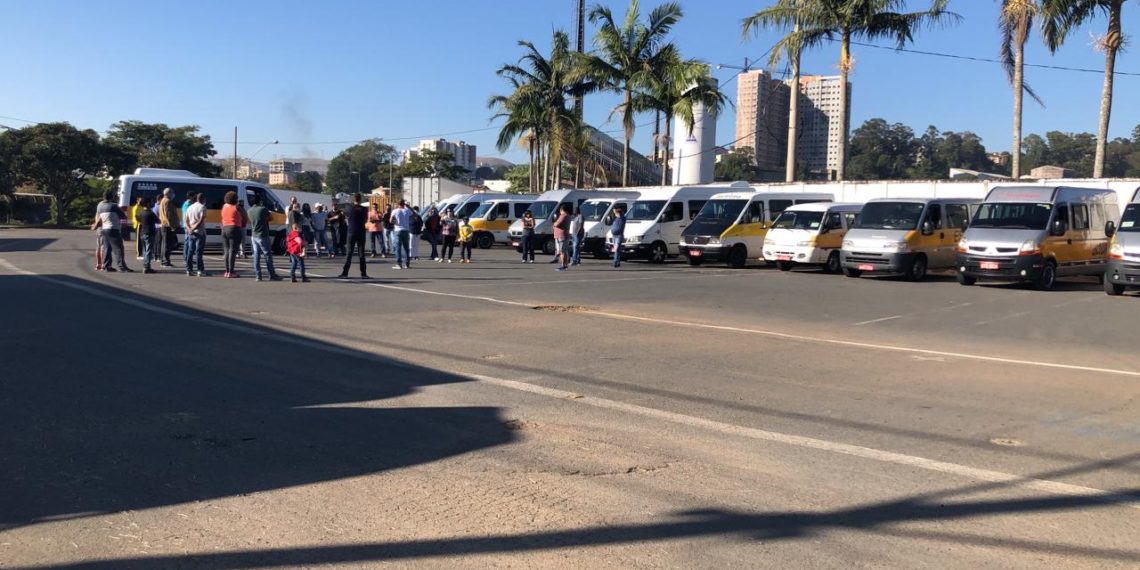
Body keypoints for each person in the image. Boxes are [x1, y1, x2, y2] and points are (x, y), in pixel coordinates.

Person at [94, 191, 132, 273]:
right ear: (111, 197)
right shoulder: (114, 206)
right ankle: (122, 267)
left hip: (104, 229)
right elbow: (123, 216)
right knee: (119, 248)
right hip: (113, 228)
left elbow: (98, 217)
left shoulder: (100, 205)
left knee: (107, 248)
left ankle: (107, 266)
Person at [247, 193, 281, 282]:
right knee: (267, 255)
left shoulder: (249, 210)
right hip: (262, 234)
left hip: (254, 234)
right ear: (260, 201)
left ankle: (258, 276)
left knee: (256, 255)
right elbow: (271, 218)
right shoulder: (263, 209)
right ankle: (272, 275)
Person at [338, 193, 369, 279]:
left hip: (352, 231)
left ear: (353, 199)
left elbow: (345, 214)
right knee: (361, 253)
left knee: (349, 253)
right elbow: (366, 219)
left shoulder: (349, 208)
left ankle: (345, 273)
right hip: (361, 231)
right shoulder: (364, 209)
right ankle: (364, 273)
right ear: (360, 200)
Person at [220, 191, 248, 278]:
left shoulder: (224, 206)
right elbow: (245, 217)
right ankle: (231, 271)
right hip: (234, 228)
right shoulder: (237, 207)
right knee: (233, 250)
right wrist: (243, 223)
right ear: (235, 199)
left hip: (224, 228)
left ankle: (227, 271)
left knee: (226, 250)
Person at [185, 193, 208, 276]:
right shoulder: (202, 207)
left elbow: (186, 220)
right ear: (202, 199)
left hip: (191, 233)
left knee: (190, 251)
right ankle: (200, 270)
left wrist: (189, 229)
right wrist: (194, 228)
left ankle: (189, 269)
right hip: (200, 232)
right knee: (198, 252)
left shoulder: (190, 207)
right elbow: (201, 220)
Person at [135, 198, 158, 274]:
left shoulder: (141, 213)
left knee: (145, 251)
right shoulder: (150, 213)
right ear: (148, 203)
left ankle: (145, 265)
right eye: (151, 201)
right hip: (150, 233)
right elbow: (158, 220)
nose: (153, 203)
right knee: (149, 251)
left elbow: (138, 218)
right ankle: (147, 267)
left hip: (142, 233)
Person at [159, 187, 180, 267]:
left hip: (164, 225)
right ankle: (165, 261)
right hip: (167, 225)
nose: (173, 194)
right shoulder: (168, 201)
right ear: (168, 193)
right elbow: (169, 215)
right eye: (172, 193)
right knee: (167, 244)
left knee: (164, 244)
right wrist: (172, 226)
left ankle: (164, 260)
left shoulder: (162, 201)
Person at [391, 199, 413, 269]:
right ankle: (407, 263)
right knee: (406, 248)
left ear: (398, 204)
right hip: (406, 230)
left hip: (398, 230)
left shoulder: (395, 211)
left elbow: (390, 220)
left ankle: (399, 263)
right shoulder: (407, 210)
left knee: (398, 248)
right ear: (404, 204)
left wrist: (395, 222)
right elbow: (413, 215)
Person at [552, 203, 572, 271]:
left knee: (562, 251)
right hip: (564, 235)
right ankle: (565, 265)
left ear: (562, 209)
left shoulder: (563, 216)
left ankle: (563, 265)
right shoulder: (568, 216)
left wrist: (554, 223)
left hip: (561, 236)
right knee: (564, 251)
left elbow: (557, 224)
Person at [610, 205, 626, 269]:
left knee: (616, 249)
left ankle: (615, 262)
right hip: (614, 235)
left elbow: (620, 216)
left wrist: (617, 212)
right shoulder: (615, 217)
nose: (614, 211)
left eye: (615, 209)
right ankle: (617, 262)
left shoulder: (622, 217)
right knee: (617, 250)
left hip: (619, 235)